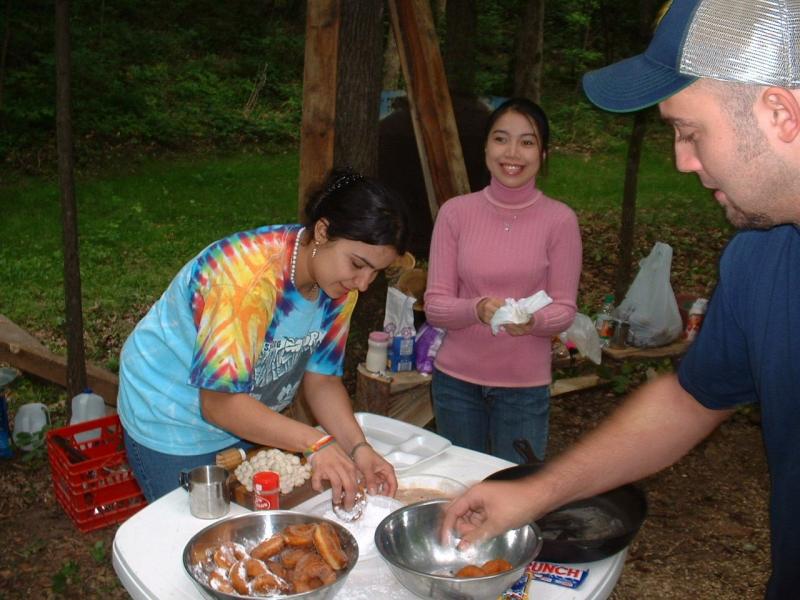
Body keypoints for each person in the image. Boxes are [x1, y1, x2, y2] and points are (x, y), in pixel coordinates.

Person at [441, 1, 800, 597]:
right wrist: (536, 492)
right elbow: (691, 399)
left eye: (690, 132)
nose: (682, 161)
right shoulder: (759, 259)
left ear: (779, 113)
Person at [118, 169, 409, 505]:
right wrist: (315, 443)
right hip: (171, 418)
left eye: (375, 272)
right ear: (323, 231)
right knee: (190, 539)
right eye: (358, 264)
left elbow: (322, 380)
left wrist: (360, 449)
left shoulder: (339, 284)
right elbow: (218, 403)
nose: (363, 283)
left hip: (244, 414)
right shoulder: (244, 280)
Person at [423, 98, 582, 464]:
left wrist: (534, 322)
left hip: (524, 389)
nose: (512, 153)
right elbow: (436, 306)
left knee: (515, 492)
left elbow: (565, 309)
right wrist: (475, 309)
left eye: (526, 142)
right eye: (501, 139)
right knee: (459, 490)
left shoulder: (559, 220)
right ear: (485, 147)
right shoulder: (455, 213)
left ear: (544, 152)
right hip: (456, 384)